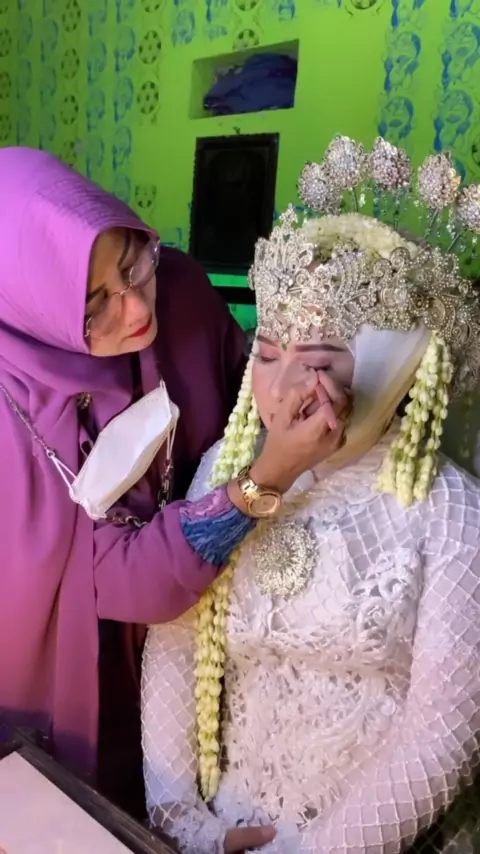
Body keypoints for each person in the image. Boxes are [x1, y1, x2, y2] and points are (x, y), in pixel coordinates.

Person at [142, 136, 480, 853]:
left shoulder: (450, 509)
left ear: (392, 367)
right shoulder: (227, 470)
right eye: (267, 354)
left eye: (320, 361)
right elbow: (174, 641)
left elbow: (442, 735)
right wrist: (186, 821)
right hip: (228, 824)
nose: (281, 389)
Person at [0, 148, 345, 816]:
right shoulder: (14, 412)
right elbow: (119, 578)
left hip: (212, 629)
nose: (134, 309)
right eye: (95, 305)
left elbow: (250, 395)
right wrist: (266, 477)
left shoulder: (181, 290)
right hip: (83, 662)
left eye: (134, 262)